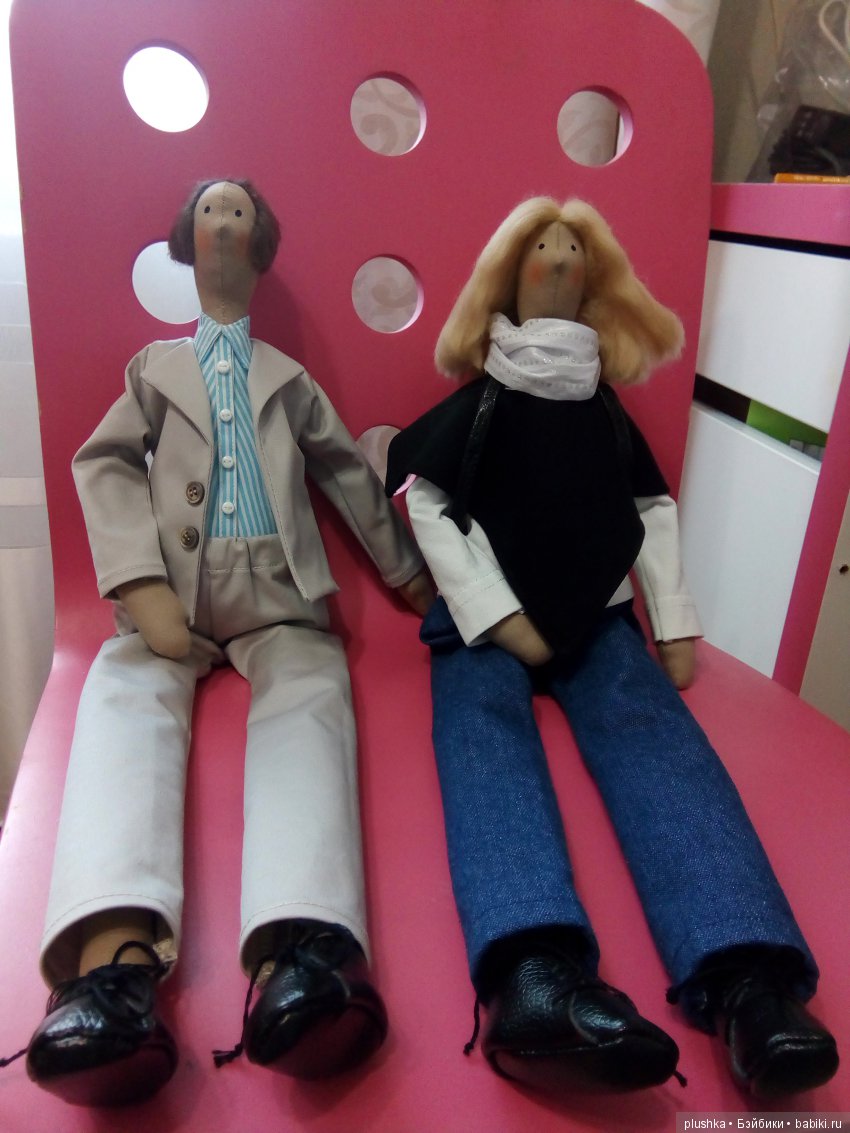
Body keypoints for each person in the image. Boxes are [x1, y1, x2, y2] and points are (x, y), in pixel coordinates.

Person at [384, 196, 839, 1099]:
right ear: (506, 275)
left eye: (572, 248)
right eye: (542, 245)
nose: (559, 258)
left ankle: (748, 977)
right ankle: (533, 975)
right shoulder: (481, 405)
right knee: (484, 744)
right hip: (486, 619)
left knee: (655, 738)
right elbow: (423, 499)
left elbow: (651, 509)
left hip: (596, 609)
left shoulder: (603, 410)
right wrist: (494, 611)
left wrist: (672, 620)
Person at [14, 179, 431, 1107]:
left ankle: (307, 949)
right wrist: (139, 581)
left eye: (238, 212)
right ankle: (107, 964)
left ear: (260, 246)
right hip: (176, 596)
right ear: (187, 241)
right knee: (125, 699)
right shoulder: (154, 370)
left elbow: (346, 474)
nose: (223, 225)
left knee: (311, 702)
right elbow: (103, 461)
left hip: (283, 593)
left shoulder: (288, 378)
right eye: (210, 211)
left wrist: (403, 568)